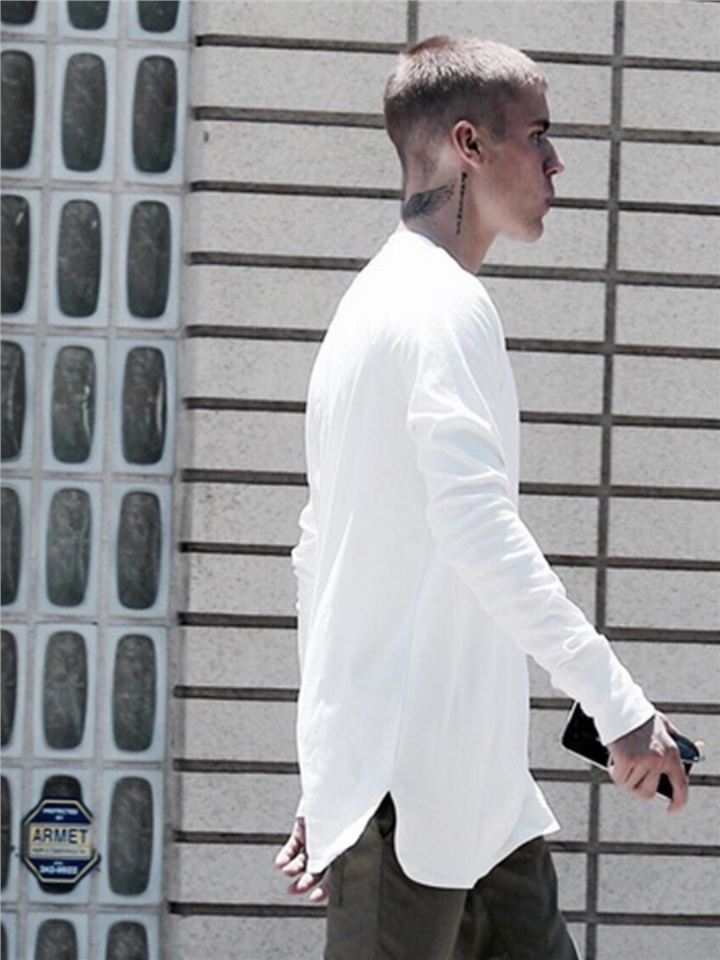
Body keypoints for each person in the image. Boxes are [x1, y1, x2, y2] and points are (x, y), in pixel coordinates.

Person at [275, 35, 689, 959]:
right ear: (468, 144)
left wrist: (330, 771)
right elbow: (477, 528)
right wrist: (617, 704)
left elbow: (319, 553)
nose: (556, 160)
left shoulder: (371, 307)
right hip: (408, 794)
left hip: (475, 798)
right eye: (536, 135)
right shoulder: (441, 307)